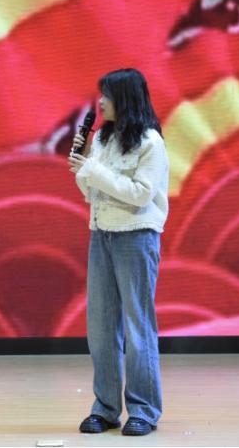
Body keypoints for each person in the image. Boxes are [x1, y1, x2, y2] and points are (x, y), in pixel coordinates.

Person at [67, 68, 169, 436]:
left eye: (107, 95)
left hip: (136, 236)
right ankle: (106, 408)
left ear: (124, 99)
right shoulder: (102, 139)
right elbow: (92, 191)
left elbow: (141, 194)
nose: (100, 102)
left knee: (137, 325)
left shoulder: (150, 142)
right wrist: (82, 167)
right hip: (102, 235)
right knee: (100, 326)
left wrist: (93, 170)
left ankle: (143, 410)